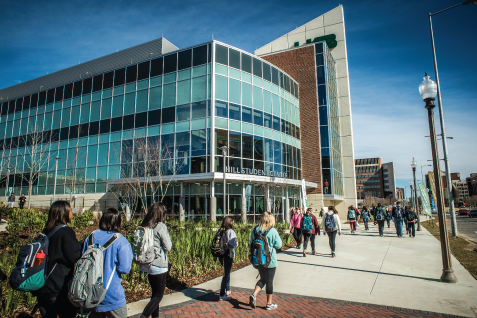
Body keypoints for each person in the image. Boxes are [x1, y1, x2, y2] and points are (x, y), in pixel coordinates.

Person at [34, 201, 82, 318]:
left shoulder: (45, 232)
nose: (72, 213)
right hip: (57, 288)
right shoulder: (65, 231)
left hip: (41, 286)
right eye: (70, 210)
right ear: (64, 213)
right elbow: (75, 255)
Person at [82, 208, 132, 318]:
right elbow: (125, 268)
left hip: (90, 292)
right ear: (118, 221)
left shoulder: (90, 237)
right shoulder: (121, 241)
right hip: (111, 294)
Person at [139, 203, 172, 318]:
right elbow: (168, 246)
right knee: (158, 296)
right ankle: (144, 315)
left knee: (154, 294)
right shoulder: (160, 226)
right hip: (158, 264)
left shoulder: (145, 225)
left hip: (147, 264)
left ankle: (155, 316)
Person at [249, 212, 283, 311]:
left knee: (263, 279)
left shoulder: (255, 230)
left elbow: (251, 243)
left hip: (259, 260)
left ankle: (254, 295)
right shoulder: (272, 231)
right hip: (270, 260)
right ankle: (269, 303)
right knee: (269, 281)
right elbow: (279, 245)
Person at [214, 216, 238, 301]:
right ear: (230, 223)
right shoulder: (231, 231)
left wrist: (215, 255)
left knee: (226, 272)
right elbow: (233, 242)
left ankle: (227, 289)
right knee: (226, 274)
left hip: (221, 255)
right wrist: (235, 243)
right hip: (228, 255)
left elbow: (216, 243)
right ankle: (222, 294)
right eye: (233, 222)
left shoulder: (220, 231)